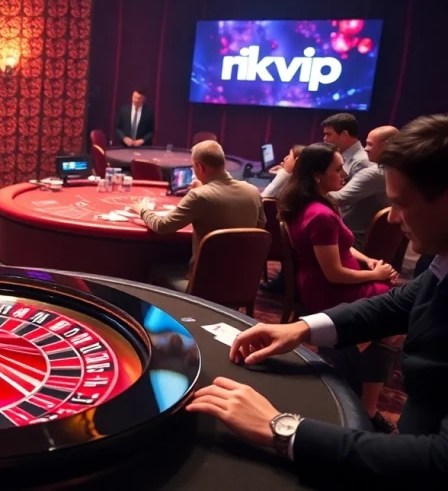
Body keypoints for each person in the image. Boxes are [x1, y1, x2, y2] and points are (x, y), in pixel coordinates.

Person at [185, 114, 448, 487]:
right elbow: (403, 301)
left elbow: (438, 461)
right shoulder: (441, 262)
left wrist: (281, 427)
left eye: (402, 203)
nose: (392, 218)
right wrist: (302, 328)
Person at [279, 142, 398, 429]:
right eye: (338, 169)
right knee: (394, 319)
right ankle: (366, 405)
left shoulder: (313, 203)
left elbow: (340, 244)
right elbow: (333, 274)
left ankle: (353, 354)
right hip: (329, 288)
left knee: (391, 316)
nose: (344, 174)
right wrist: (376, 275)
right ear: (318, 175)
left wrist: (367, 260)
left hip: (329, 280)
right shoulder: (319, 214)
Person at [133, 140, 265, 266]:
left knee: (153, 267)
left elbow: (162, 227)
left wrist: (143, 210)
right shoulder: (252, 191)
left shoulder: (198, 196)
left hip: (205, 276)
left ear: (200, 167)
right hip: (246, 274)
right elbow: (260, 227)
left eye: (193, 166)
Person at [329, 126, 397, 247]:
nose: (365, 149)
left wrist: (311, 185)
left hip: (352, 238)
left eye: (370, 144)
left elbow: (338, 200)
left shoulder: (375, 173)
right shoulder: (397, 170)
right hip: (376, 240)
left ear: (386, 145)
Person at [322, 112, 369, 180]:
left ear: (344, 134)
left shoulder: (361, 162)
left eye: (328, 134)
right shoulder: (339, 157)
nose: (325, 138)